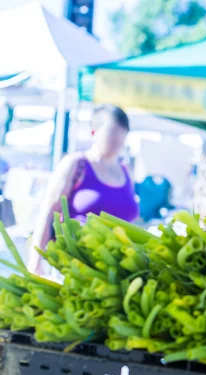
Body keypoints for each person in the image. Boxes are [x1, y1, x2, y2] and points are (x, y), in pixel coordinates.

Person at [28, 105, 139, 277]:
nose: (118, 137)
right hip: (75, 266)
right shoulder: (76, 164)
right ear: (94, 132)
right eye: (112, 131)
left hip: (115, 270)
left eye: (122, 131)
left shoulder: (126, 170)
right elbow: (49, 211)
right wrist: (36, 261)